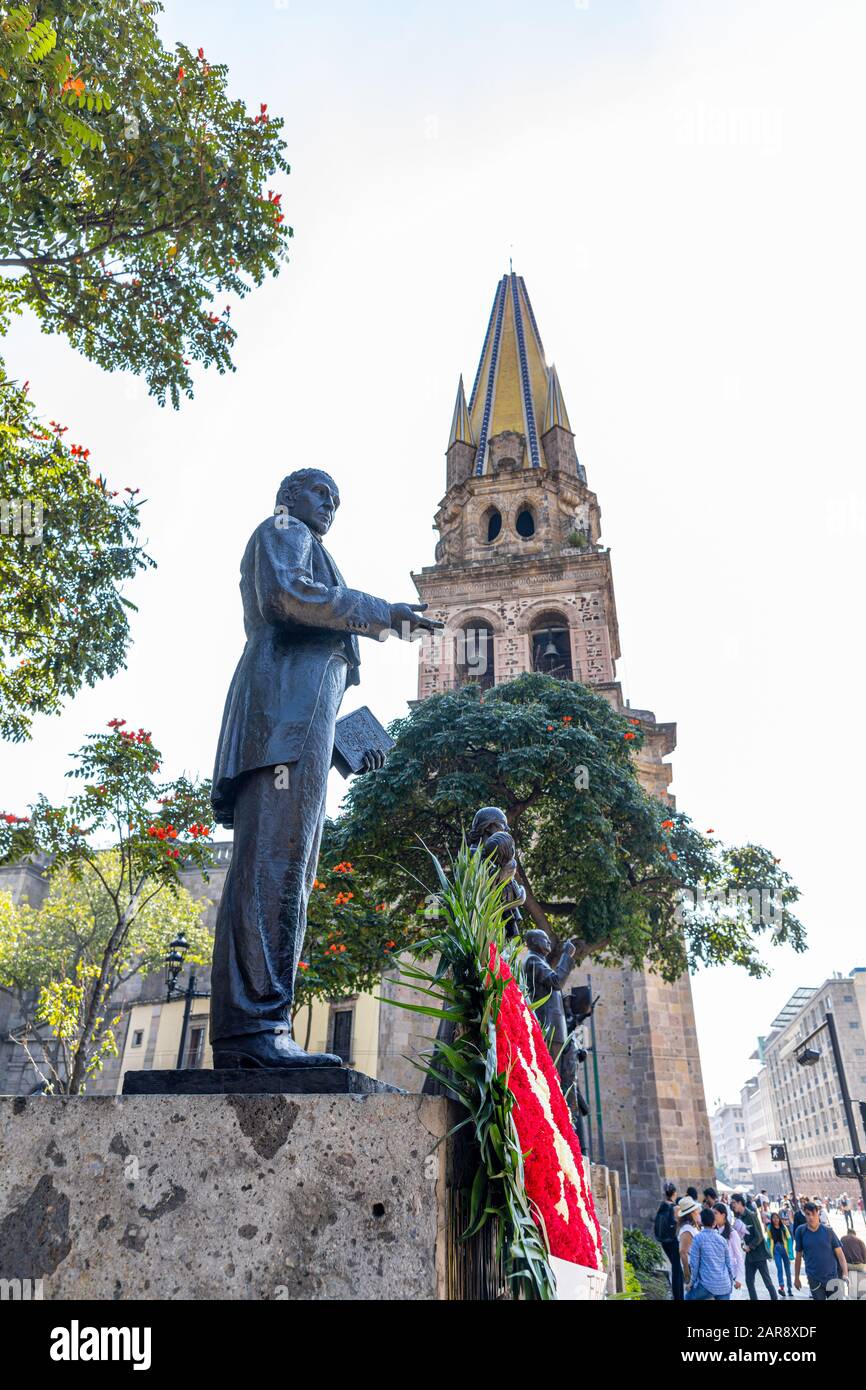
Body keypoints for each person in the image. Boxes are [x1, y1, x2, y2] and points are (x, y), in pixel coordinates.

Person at [209, 468, 440, 1067]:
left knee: (288, 871)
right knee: (272, 868)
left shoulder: (310, 544)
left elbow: (314, 676)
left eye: (337, 499)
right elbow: (287, 598)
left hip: (299, 731)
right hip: (279, 730)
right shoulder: (284, 530)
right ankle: (253, 1031)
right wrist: (384, 613)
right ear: (289, 497)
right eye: (322, 494)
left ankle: (264, 1027)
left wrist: (344, 744)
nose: (330, 506)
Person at [793, 1202, 848, 1300]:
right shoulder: (800, 1231)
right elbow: (798, 1257)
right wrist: (796, 1278)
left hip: (832, 1278)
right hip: (814, 1279)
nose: (811, 1217)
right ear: (804, 1215)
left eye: (813, 1214)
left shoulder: (828, 1231)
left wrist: (845, 1273)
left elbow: (840, 1254)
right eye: (808, 1214)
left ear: (818, 1213)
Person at [731, 1193, 778, 1301]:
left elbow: (760, 1236)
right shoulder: (739, 1217)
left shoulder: (751, 1215)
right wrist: (742, 1245)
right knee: (748, 1281)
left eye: (734, 1203)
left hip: (759, 1255)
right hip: (750, 1256)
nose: (732, 1205)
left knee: (767, 1282)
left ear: (739, 1203)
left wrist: (750, 1247)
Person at [685, 1209, 736, 1301]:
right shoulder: (722, 1240)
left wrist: (691, 1283)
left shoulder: (698, 1239)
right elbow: (728, 1264)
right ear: (714, 1223)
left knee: (688, 1297)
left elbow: (694, 1265)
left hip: (707, 1285)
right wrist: (730, 1283)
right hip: (724, 1285)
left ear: (701, 1222)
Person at [655, 1183, 683, 1300]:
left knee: (674, 1267)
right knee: (677, 1270)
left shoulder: (662, 1205)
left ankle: (676, 1294)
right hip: (673, 1240)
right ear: (674, 1193)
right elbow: (679, 1223)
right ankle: (678, 1296)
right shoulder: (675, 1208)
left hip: (663, 1241)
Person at [713, 1202, 743, 1296]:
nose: (713, 1216)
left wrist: (739, 1278)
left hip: (731, 1276)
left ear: (723, 1215)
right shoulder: (714, 1232)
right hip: (718, 1277)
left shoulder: (732, 1233)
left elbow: (739, 1257)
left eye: (715, 1213)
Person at [677, 1196, 701, 1293]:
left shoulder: (690, 1226)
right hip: (691, 1267)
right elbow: (683, 1252)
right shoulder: (687, 1229)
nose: (698, 1211)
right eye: (696, 1210)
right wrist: (687, 1275)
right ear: (691, 1213)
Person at [767, 1211, 794, 1297]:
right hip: (776, 1250)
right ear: (771, 1219)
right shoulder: (769, 1228)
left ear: (779, 1219)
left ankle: (789, 1288)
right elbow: (768, 1240)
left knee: (787, 1270)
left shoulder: (783, 1227)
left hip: (784, 1250)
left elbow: (789, 1239)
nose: (775, 1220)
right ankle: (781, 1288)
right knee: (779, 1269)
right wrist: (769, 1253)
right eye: (774, 1218)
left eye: (777, 1218)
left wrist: (790, 1253)